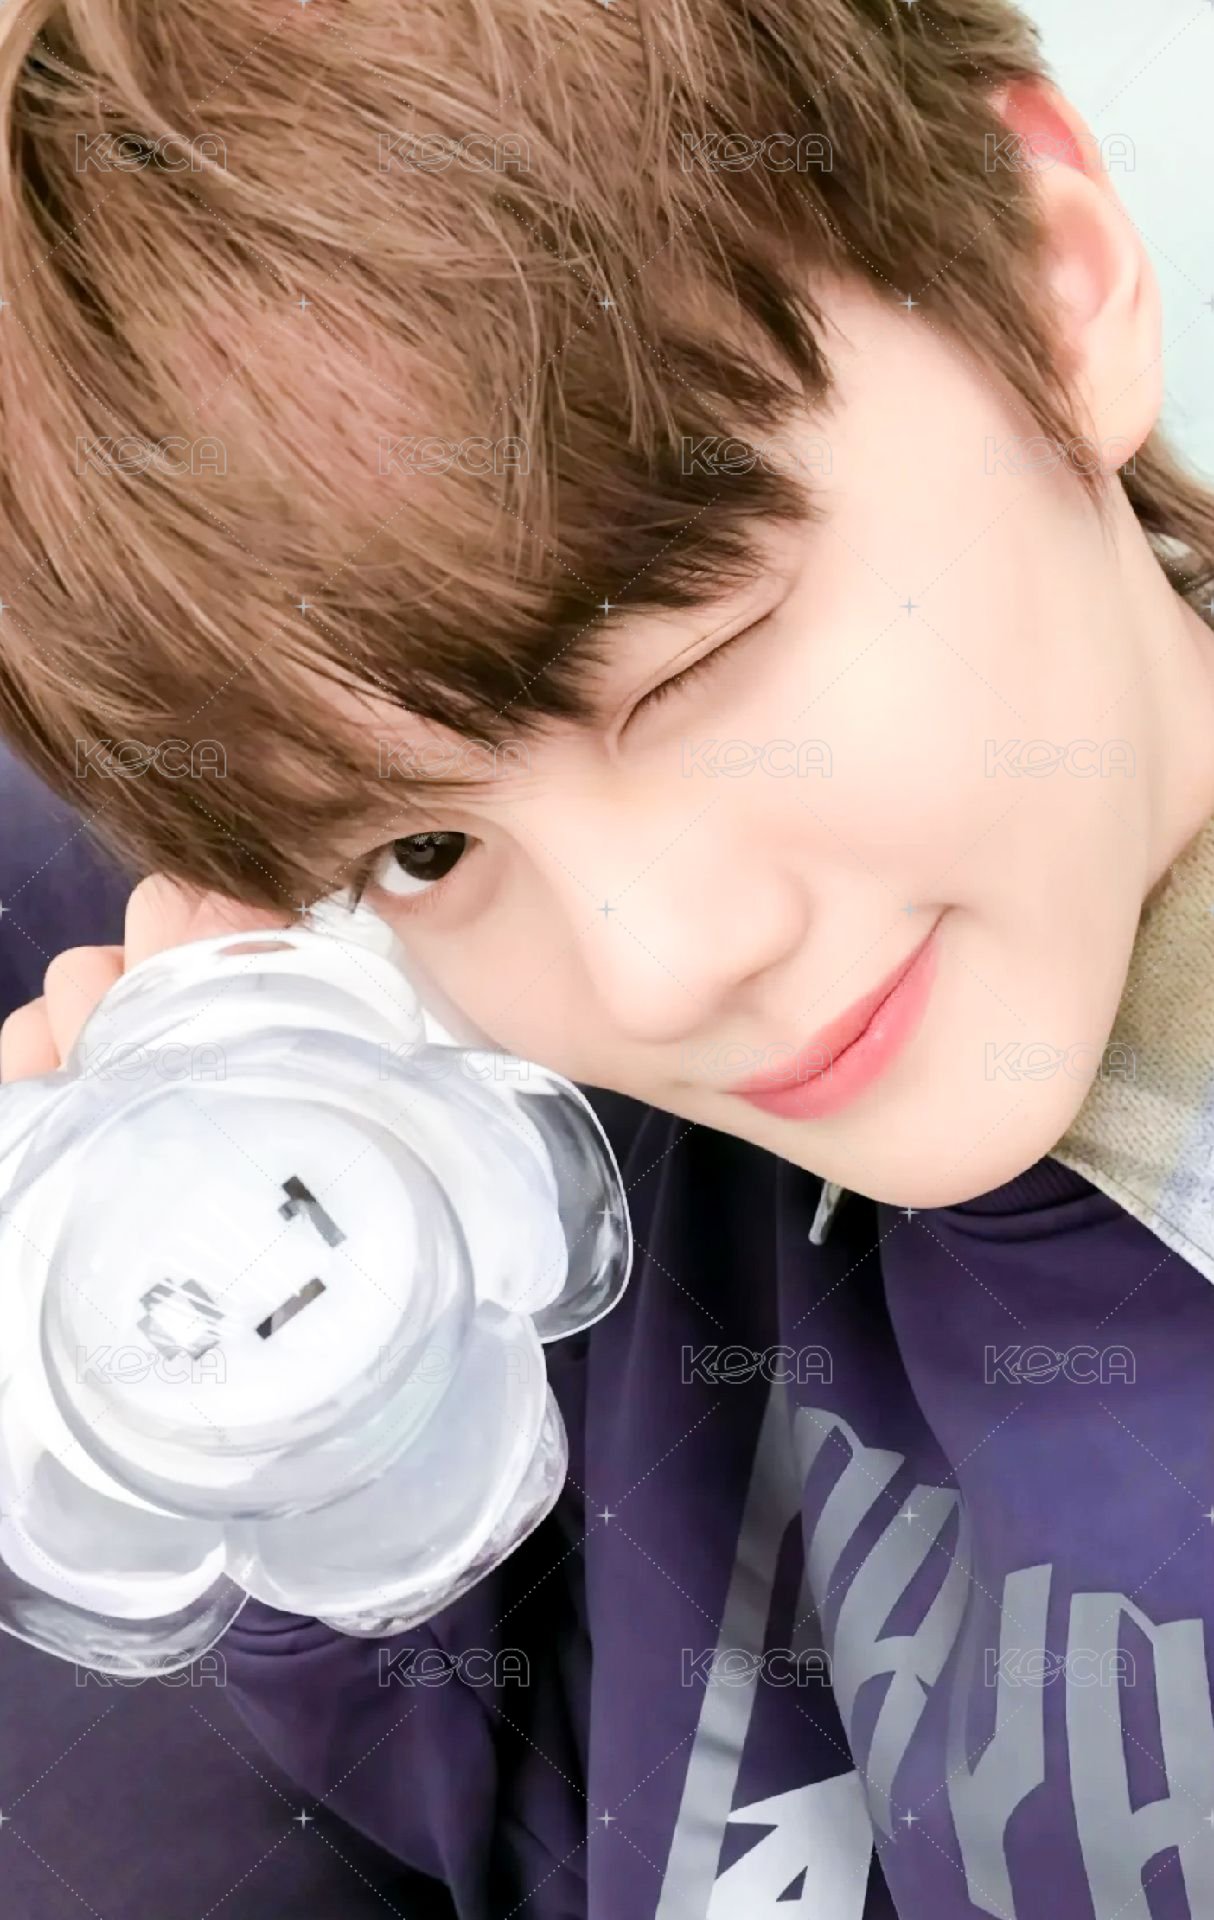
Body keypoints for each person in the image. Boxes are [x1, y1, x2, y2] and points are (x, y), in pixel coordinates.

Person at [1, 2, 1213, 1914]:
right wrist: (315, 1431)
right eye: (424, 847)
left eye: (698, 664)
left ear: (1049, 282)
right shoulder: (596, 1158)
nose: (653, 973)